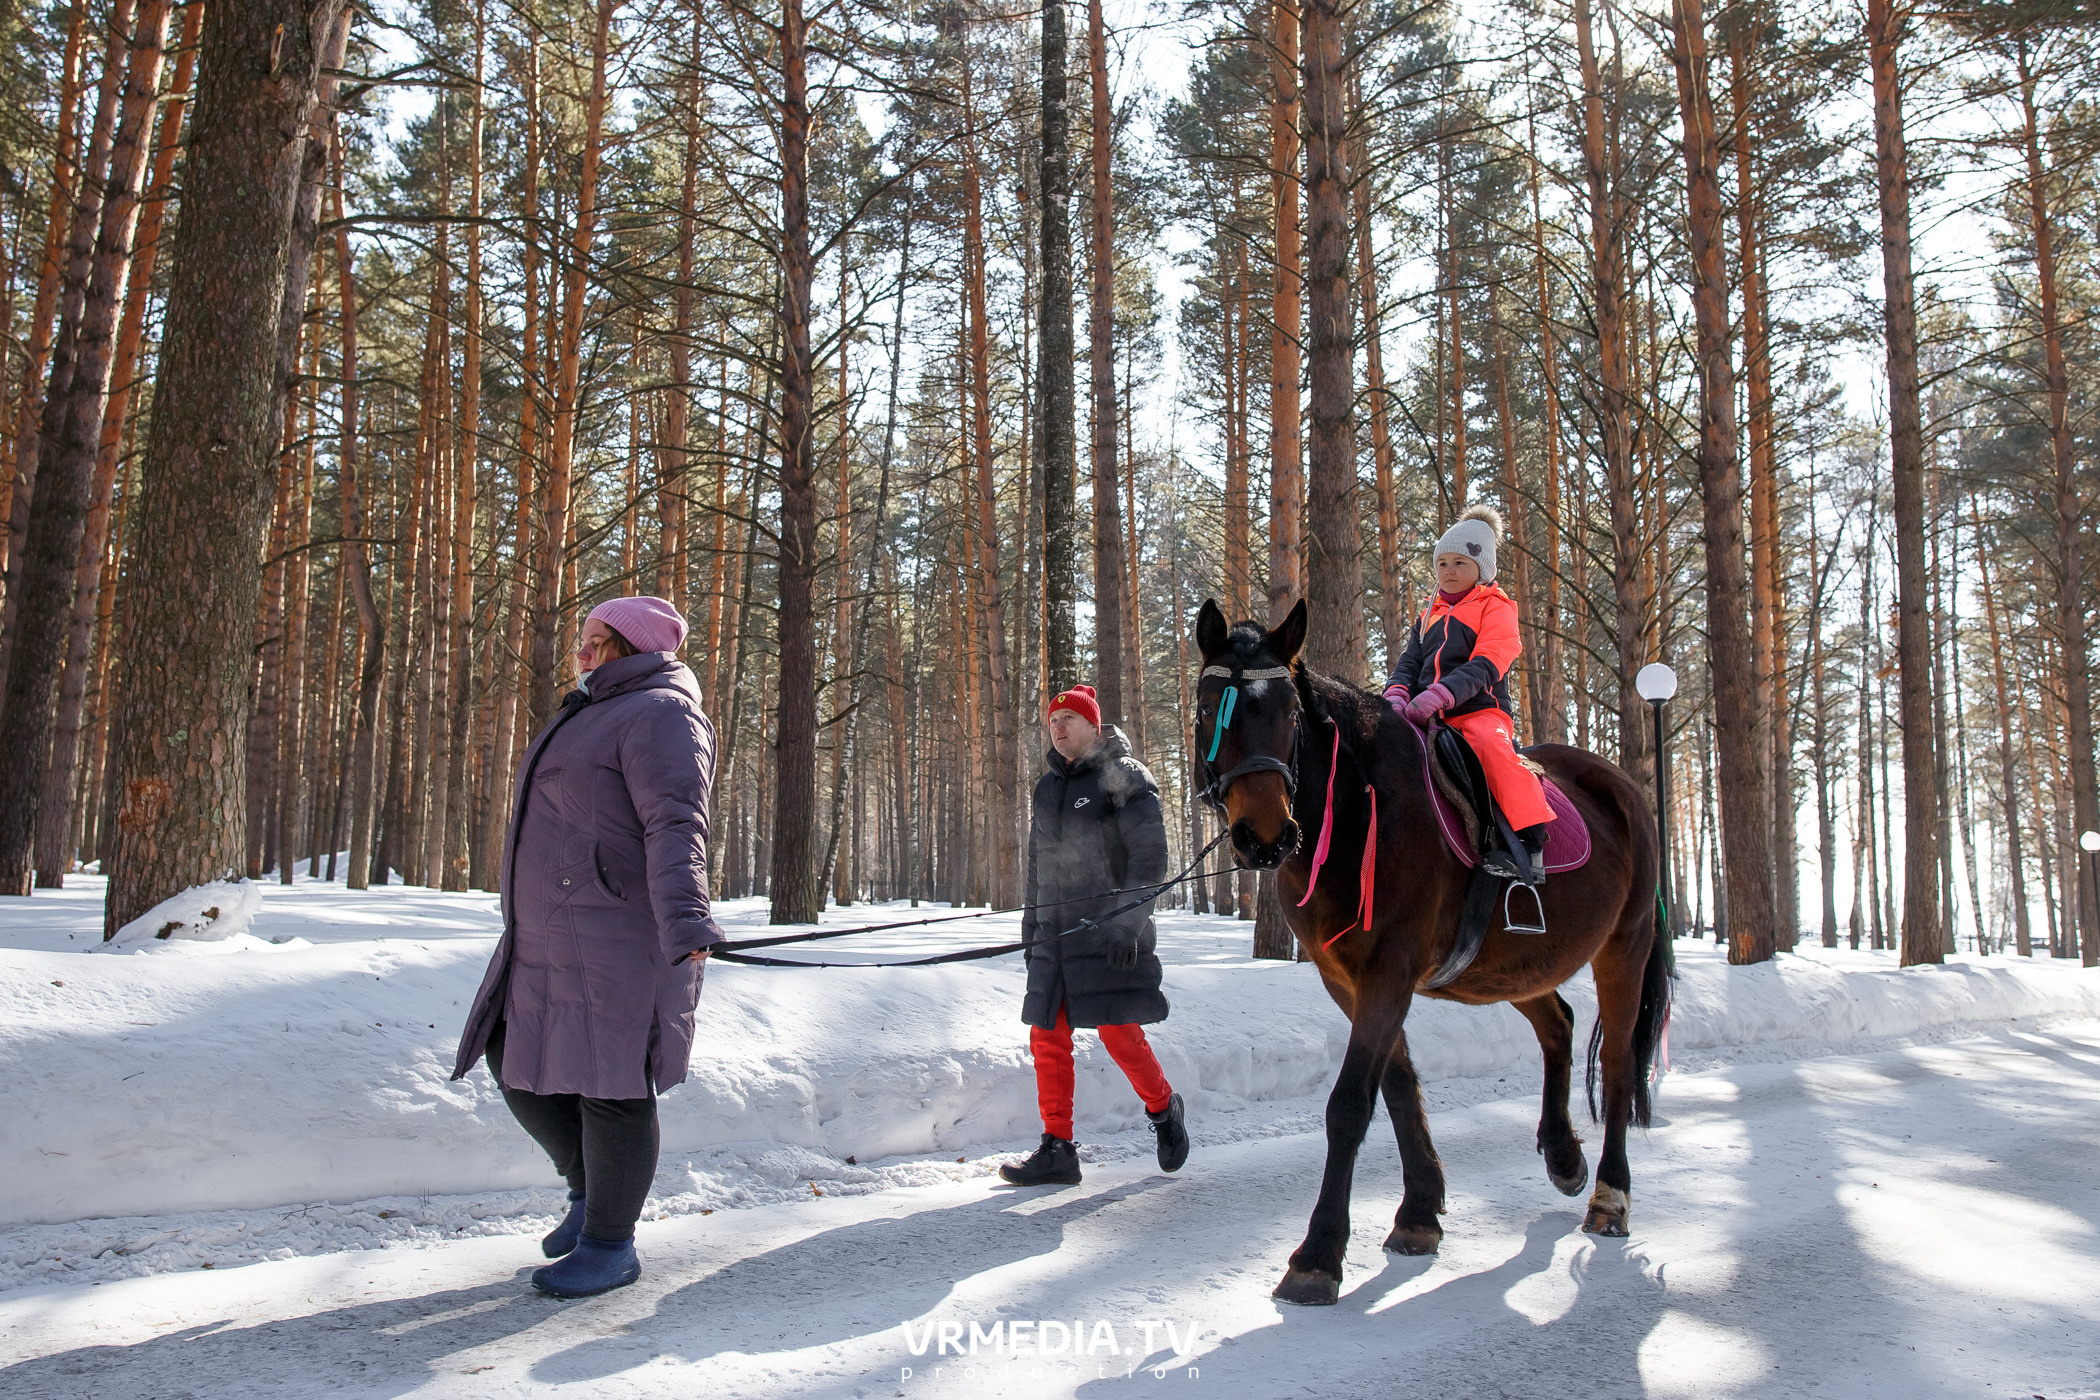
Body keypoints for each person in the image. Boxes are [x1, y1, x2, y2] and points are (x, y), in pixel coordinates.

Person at [451, 594, 725, 1298]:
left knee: (613, 1087)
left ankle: (611, 1243)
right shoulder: (592, 709)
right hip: (549, 931)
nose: (582, 652)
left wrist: (687, 920)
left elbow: (675, 823)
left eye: (597, 641)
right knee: (510, 1054)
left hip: (622, 934)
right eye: (582, 638)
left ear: (633, 650)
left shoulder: (663, 715)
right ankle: (587, 1195)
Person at [999, 684, 1191, 1186]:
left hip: (1108, 935)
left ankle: (1165, 1108)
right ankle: (1058, 1148)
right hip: (1054, 936)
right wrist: (1031, 930)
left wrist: (1127, 923)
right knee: (1047, 1034)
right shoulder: (1047, 787)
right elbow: (1037, 866)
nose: (1057, 727)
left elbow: (1150, 860)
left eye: (1067, 717)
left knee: (1119, 1034)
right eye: (1051, 720)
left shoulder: (1124, 777)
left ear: (1093, 724)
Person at [1384, 504, 1555, 880]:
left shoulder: (1496, 607)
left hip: (1479, 710)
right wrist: (1397, 694)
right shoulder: (1428, 614)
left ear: (1483, 568)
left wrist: (1441, 694)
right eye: (1442, 563)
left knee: (1490, 747)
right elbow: (1408, 664)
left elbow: (1489, 661)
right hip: (1424, 713)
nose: (1448, 571)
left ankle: (1530, 841)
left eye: (1460, 563)